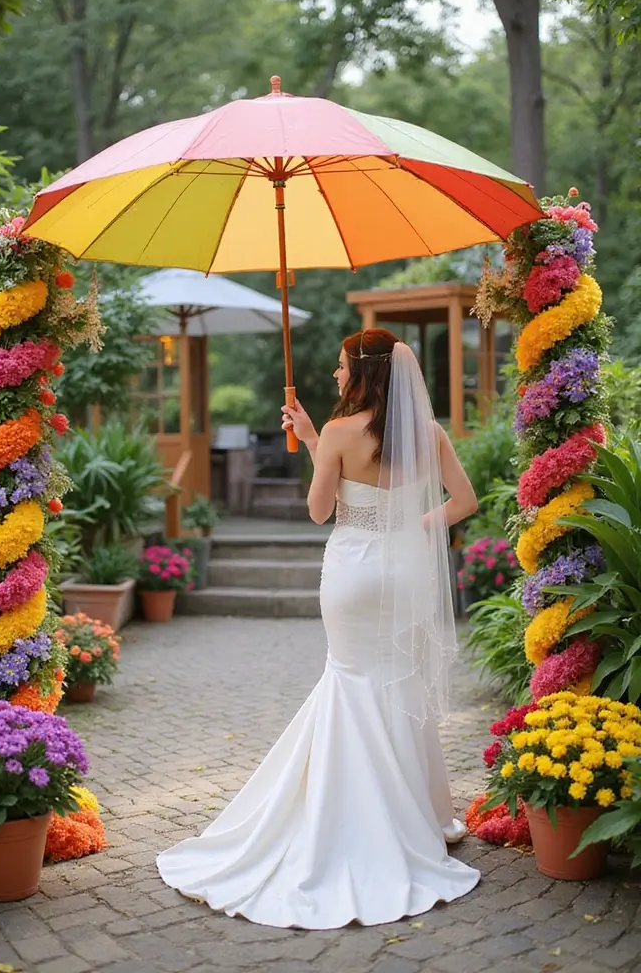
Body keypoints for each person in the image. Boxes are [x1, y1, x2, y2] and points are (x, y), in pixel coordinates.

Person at [157, 328, 481, 929]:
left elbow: (320, 509)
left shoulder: (337, 432)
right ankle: (420, 816)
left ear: (360, 372)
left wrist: (313, 441)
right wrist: (412, 524)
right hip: (405, 571)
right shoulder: (428, 434)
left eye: (338, 367)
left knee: (351, 678)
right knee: (401, 681)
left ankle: (351, 820)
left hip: (354, 570)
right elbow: (463, 501)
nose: (333, 377)